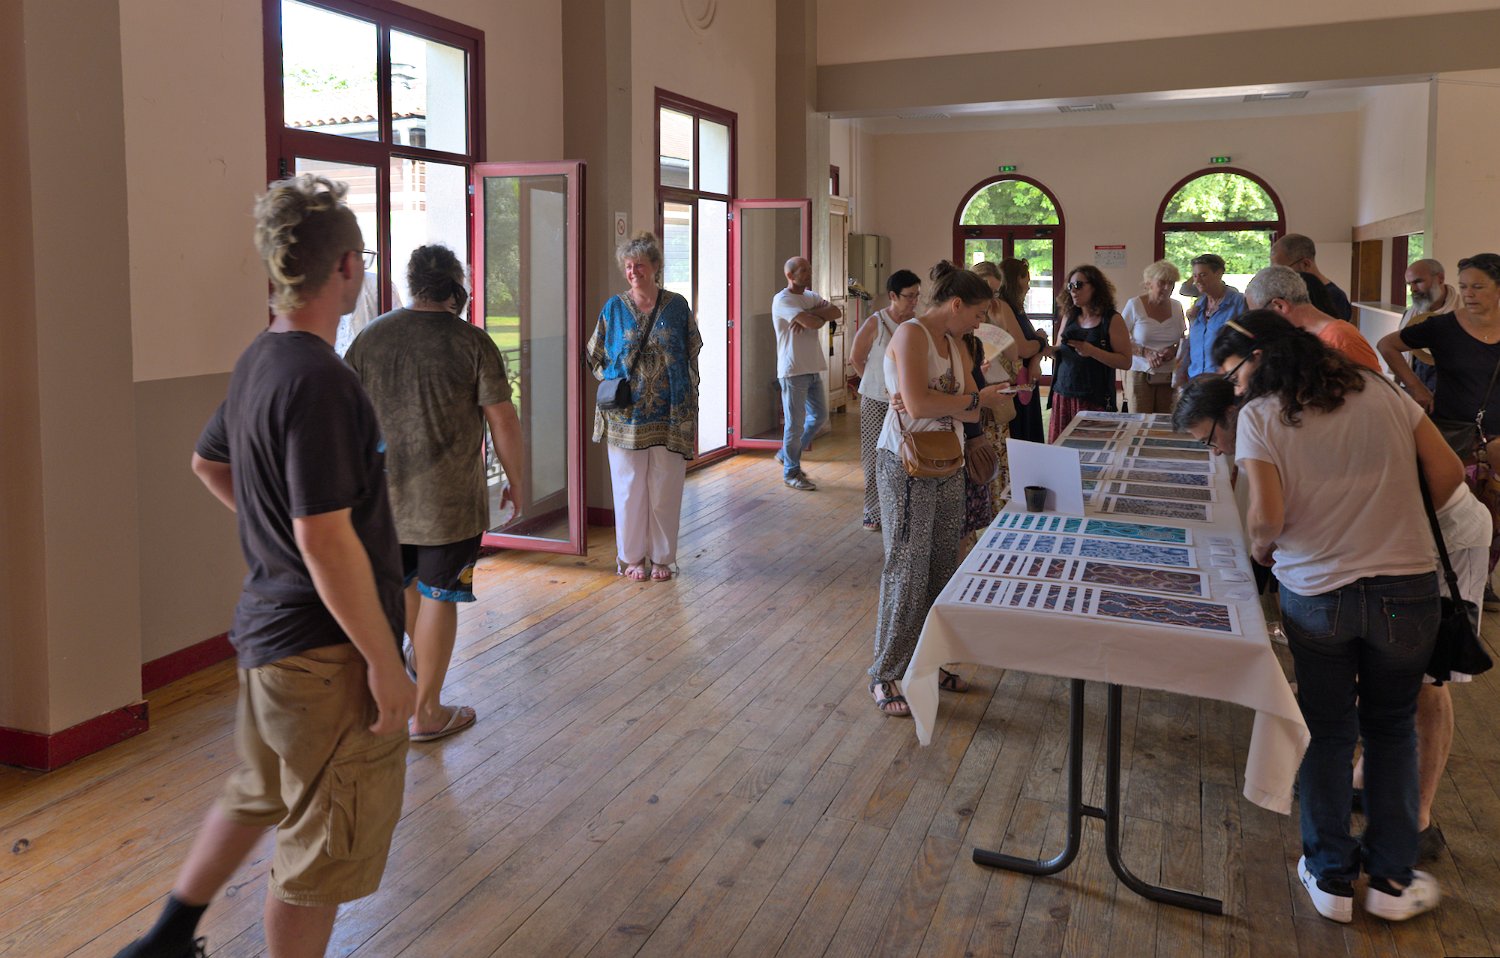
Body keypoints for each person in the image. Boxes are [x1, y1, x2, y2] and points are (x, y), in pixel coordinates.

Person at [116, 175, 416, 958]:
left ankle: (164, 939)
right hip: (323, 657)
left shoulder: (260, 359)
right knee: (318, 850)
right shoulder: (321, 381)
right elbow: (324, 537)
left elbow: (207, 462)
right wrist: (385, 662)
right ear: (345, 266)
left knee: (256, 793)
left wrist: (276, 535)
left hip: (268, 641)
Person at [1214, 310, 1458, 924]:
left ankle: (1330, 878)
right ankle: (1392, 881)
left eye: (1234, 375)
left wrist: (1262, 549)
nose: (1235, 388)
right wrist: (1393, 518)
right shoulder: (1380, 390)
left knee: (1327, 732)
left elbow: (1268, 518)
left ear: (1260, 359)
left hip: (1318, 589)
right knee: (1392, 730)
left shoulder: (1261, 417)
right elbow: (1450, 473)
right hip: (1406, 586)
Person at [346, 244, 524, 743]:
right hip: (449, 503)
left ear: (411, 282)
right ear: (455, 287)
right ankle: (426, 711)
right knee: (440, 595)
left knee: (408, 586)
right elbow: (502, 420)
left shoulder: (370, 337)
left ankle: (417, 672)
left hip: (384, 501)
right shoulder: (471, 342)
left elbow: (347, 414)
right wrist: (517, 480)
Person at [869, 262, 1012, 716]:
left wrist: (957, 402)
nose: (979, 324)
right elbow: (921, 404)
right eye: (977, 315)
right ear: (956, 305)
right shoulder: (911, 334)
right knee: (907, 568)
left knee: (941, 565)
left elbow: (966, 411)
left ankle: (927, 664)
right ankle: (886, 673)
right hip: (906, 463)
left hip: (948, 459)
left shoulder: (954, 344)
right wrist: (968, 400)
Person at [1378, 252, 1500, 606]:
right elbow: (1388, 345)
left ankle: (1481, 582)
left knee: (1494, 516)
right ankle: (1439, 583)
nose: (1469, 293)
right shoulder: (1444, 327)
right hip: (1451, 432)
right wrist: (1416, 387)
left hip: (1497, 437)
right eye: (1464, 287)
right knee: (1451, 513)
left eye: (1478, 287)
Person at [587, 231, 702, 581]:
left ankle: (663, 558)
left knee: (666, 488)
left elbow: (691, 352)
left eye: (639, 265)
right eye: (627, 266)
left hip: (670, 414)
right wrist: (614, 380)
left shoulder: (677, 306)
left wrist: (688, 397)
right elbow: (595, 354)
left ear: (655, 267)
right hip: (625, 416)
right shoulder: (614, 308)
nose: (633, 271)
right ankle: (631, 558)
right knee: (628, 489)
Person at [850, 269, 920, 531]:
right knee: (873, 456)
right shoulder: (876, 322)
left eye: (917, 295)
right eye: (909, 296)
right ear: (893, 296)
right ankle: (872, 510)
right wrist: (876, 385)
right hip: (876, 401)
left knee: (905, 453)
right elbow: (856, 358)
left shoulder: (916, 324)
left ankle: (901, 509)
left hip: (906, 401)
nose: (914, 301)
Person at [771, 256, 841, 490]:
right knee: (795, 424)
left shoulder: (810, 297)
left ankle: (786, 454)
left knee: (819, 416)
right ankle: (791, 473)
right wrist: (815, 316)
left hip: (812, 367)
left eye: (809, 269)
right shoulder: (782, 299)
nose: (808, 273)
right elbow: (814, 323)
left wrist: (811, 313)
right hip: (793, 370)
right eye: (803, 270)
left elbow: (836, 311)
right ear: (790, 275)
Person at [1043, 264, 1132, 439]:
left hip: (1094, 397)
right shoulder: (1069, 316)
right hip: (1064, 393)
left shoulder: (1111, 319)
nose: (1073, 290)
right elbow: (1060, 351)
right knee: (1063, 448)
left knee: (1092, 448)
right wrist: (1047, 349)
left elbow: (1125, 362)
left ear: (1095, 287)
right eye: (1070, 286)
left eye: (1078, 285)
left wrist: (1092, 351)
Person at [1244, 264, 1381, 371]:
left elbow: (1374, 393)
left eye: (1259, 315)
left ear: (1280, 305)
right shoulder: (1302, 339)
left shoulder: (1341, 338)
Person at [1120, 259, 1186, 413]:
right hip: (1140, 372)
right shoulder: (1134, 305)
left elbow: (1182, 338)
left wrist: (1173, 349)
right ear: (1149, 283)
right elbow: (1119, 339)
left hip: (1168, 374)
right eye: (1162, 283)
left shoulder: (1177, 306)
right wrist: (1145, 352)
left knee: (1164, 419)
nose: (1167, 287)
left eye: (1171, 283)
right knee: (1139, 418)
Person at [1174, 253, 1248, 384]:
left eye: (1203, 275)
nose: (1197, 281)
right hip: (1195, 378)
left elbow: (1245, 342)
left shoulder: (1238, 302)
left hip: (1224, 379)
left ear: (1219, 273)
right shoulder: (1198, 305)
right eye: (1195, 276)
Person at [998, 257, 1049, 443]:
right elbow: (1024, 348)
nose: (1028, 287)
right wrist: (1041, 340)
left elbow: (1031, 347)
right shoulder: (1003, 306)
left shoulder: (1016, 308)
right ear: (1014, 280)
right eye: (1026, 281)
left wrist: (1036, 357)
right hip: (1015, 382)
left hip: (1026, 380)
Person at [1399, 258, 1463, 393]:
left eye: (1418, 282)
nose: (1413, 289)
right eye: (1409, 284)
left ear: (1440, 278)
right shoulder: (1410, 315)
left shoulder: (1465, 312)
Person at [1271, 233, 1353, 320]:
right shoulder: (1292, 293)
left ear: (1305, 264)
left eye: (1283, 270)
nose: (1279, 276)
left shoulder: (1334, 297)